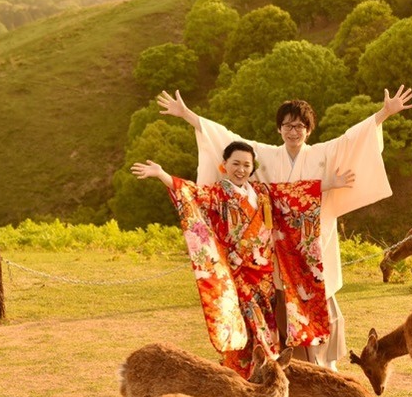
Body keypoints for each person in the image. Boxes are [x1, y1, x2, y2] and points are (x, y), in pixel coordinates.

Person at [156, 85, 412, 370]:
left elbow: (351, 139)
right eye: (289, 126)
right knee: (278, 307)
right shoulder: (264, 155)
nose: (294, 131)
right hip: (277, 251)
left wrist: (384, 114)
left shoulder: (323, 154)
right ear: (279, 129)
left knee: (321, 304)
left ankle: (324, 364)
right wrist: (188, 115)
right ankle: (285, 365)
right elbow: (227, 140)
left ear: (309, 130)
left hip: (312, 246)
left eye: (301, 126)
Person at [131, 142, 348, 377]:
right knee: (252, 330)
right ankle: (258, 375)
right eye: (235, 163)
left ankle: (247, 377)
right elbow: (190, 192)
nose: (241, 169)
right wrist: (162, 174)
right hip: (239, 276)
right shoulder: (218, 194)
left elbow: (295, 192)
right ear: (224, 165)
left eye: (246, 165)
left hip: (264, 279)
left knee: (265, 327)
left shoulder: (263, 193)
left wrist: (331, 184)